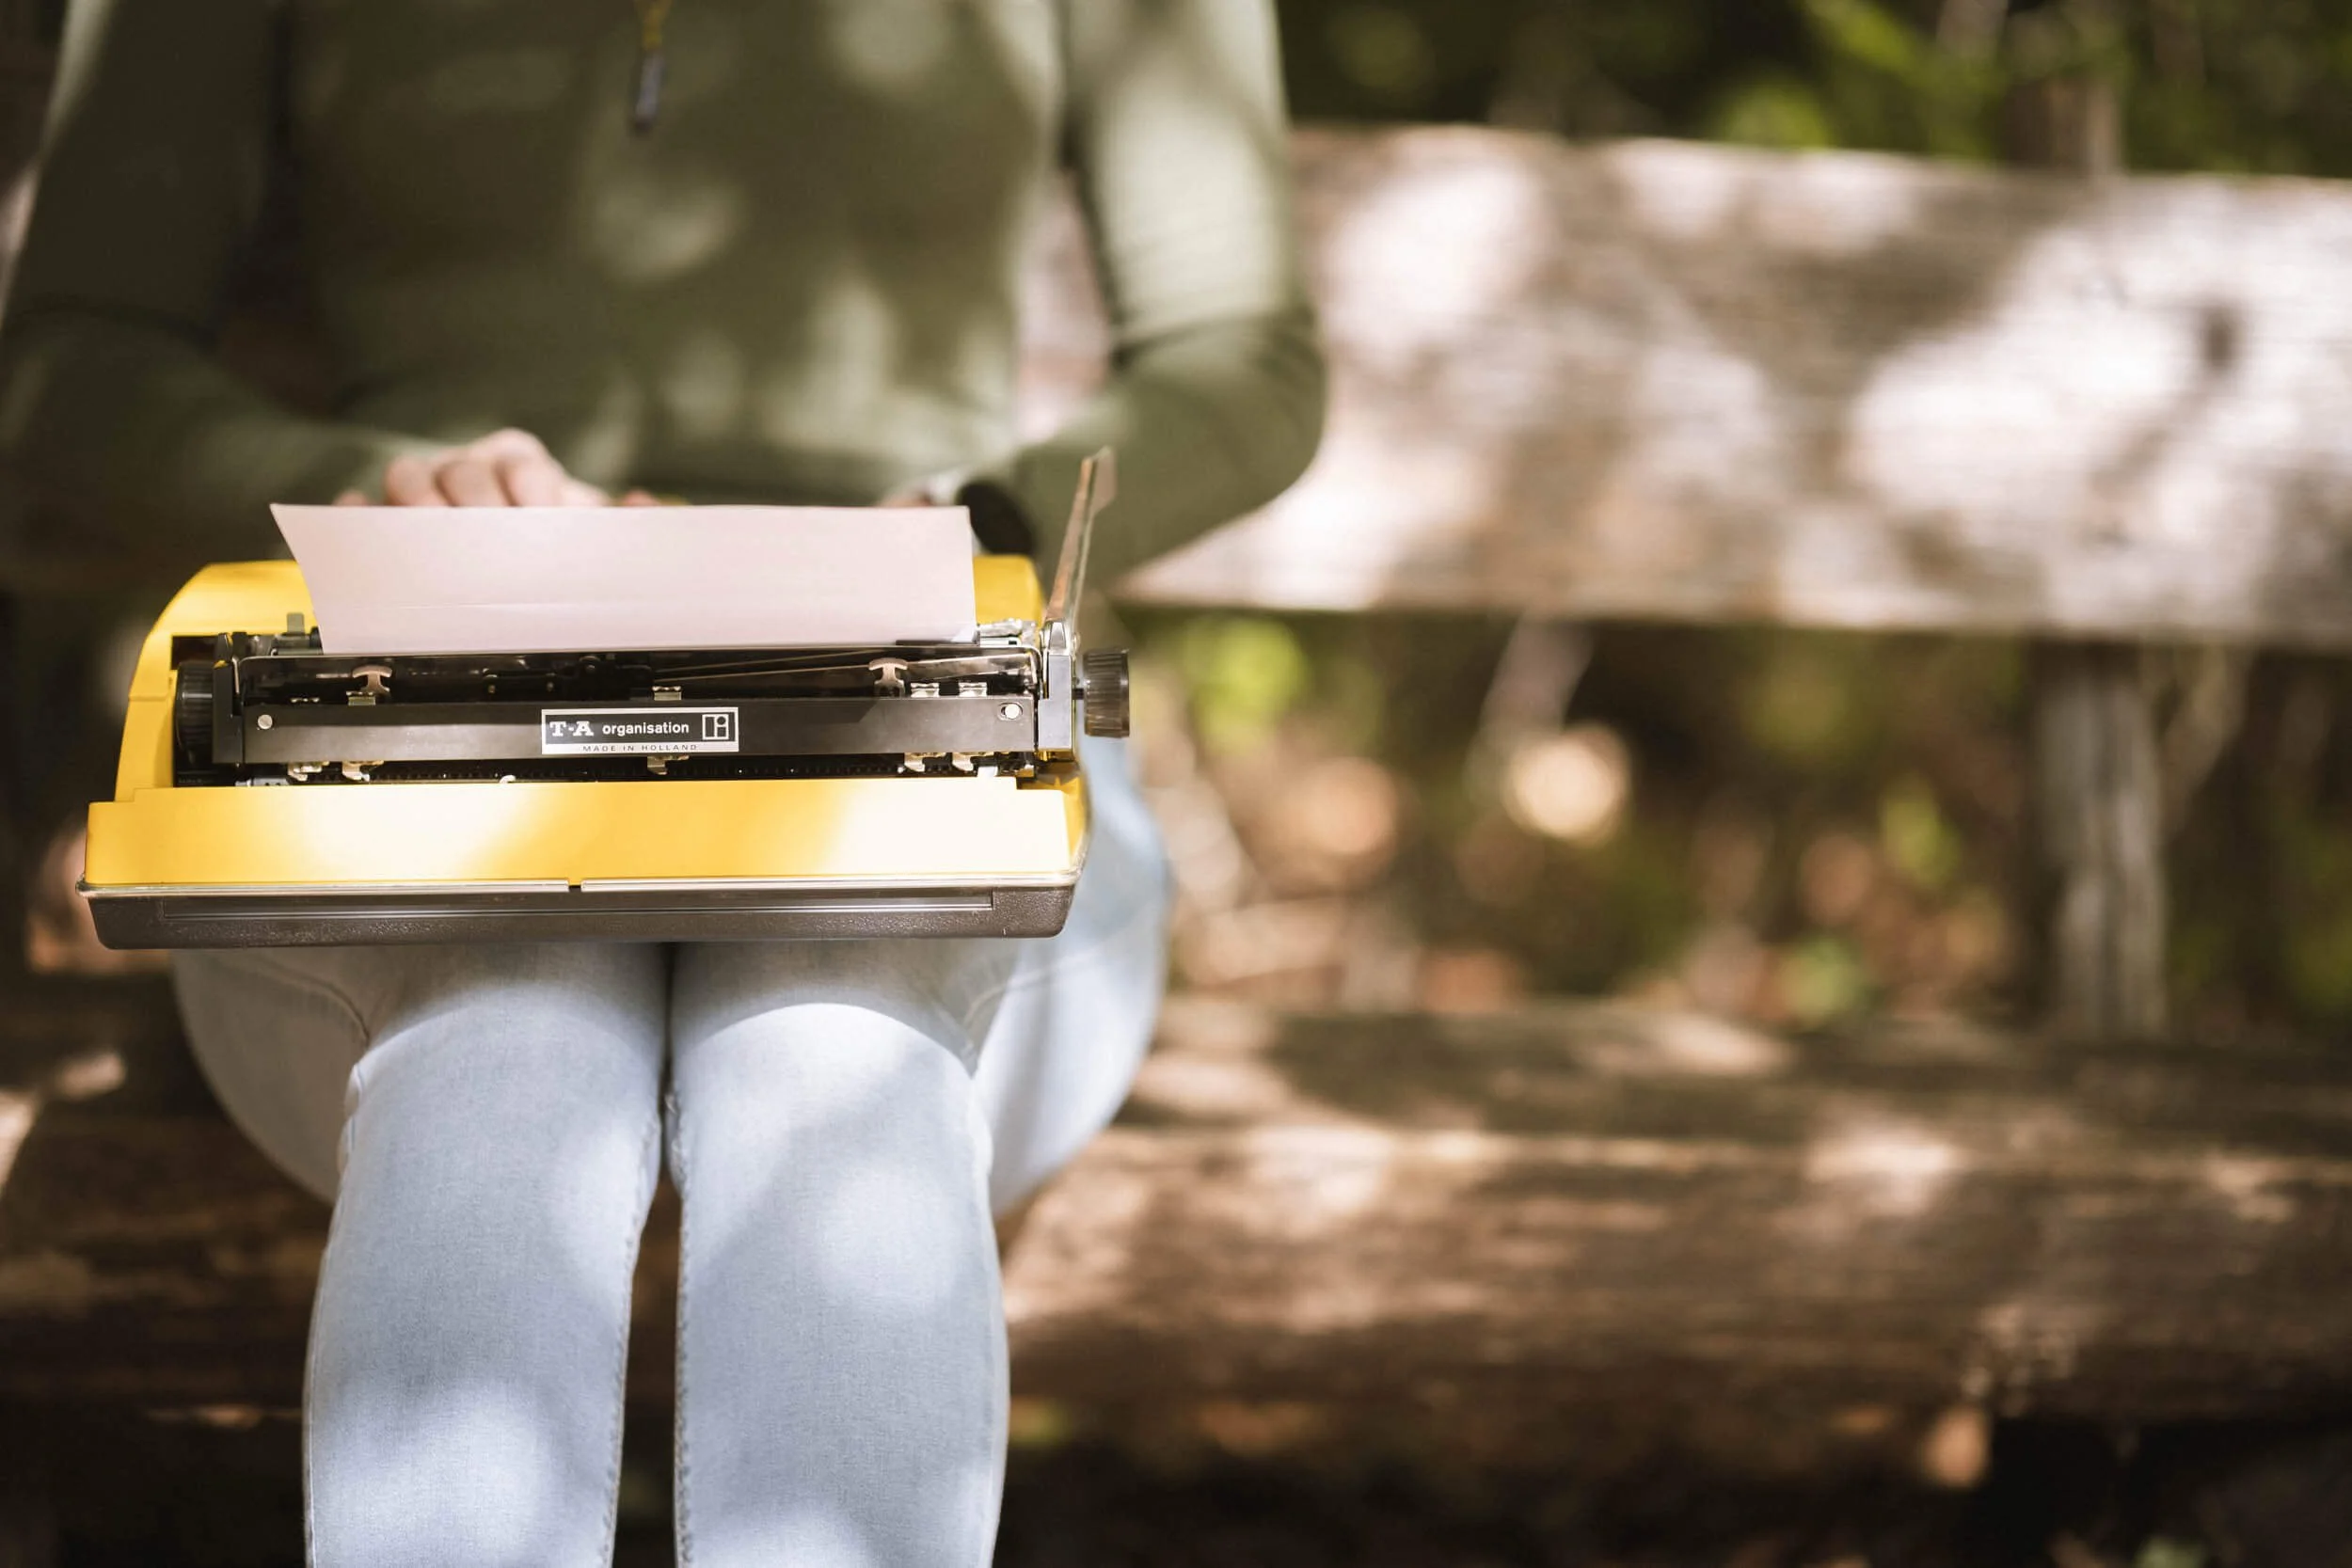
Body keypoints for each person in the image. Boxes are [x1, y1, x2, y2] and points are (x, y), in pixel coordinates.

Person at [0, 1, 1325, 1562]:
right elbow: (65, 374)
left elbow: (1250, 360)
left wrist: (981, 520)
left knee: (834, 1051)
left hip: (932, 673)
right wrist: (370, 488)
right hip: (421, 694)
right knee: (503, 1046)